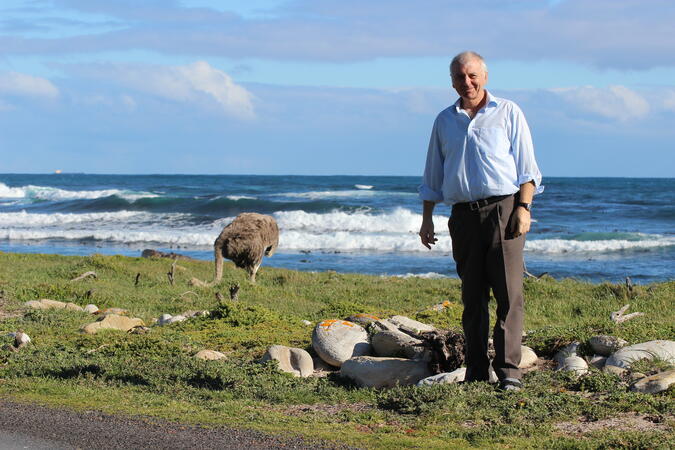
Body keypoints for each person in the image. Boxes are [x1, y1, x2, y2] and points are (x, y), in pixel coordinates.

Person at [418, 51, 542, 391]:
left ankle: (509, 373)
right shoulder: (444, 120)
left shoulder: (508, 112)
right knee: (472, 299)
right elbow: (433, 172)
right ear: (452, 81)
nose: (466, 82)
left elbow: (528, 168)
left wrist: (524, 208)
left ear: (484, 76)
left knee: (508, 295)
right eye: (459, 77)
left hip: (504, 210)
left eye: (472, 75)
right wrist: (427, 217)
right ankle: (475, 372)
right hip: (462, 218)